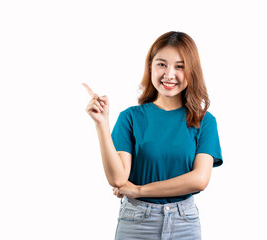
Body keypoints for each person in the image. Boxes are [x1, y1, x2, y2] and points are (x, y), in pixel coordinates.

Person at [82, 31, 223, 240]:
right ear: (150, 66)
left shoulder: (205, 121)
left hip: (184, 222)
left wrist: (139, 190)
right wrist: (102, 124)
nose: (169, 74)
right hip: (136, 222)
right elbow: (118, 178)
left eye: (180, 66)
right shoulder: (130, 117)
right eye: (162, 64)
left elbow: (199, 179)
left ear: (192, 70)